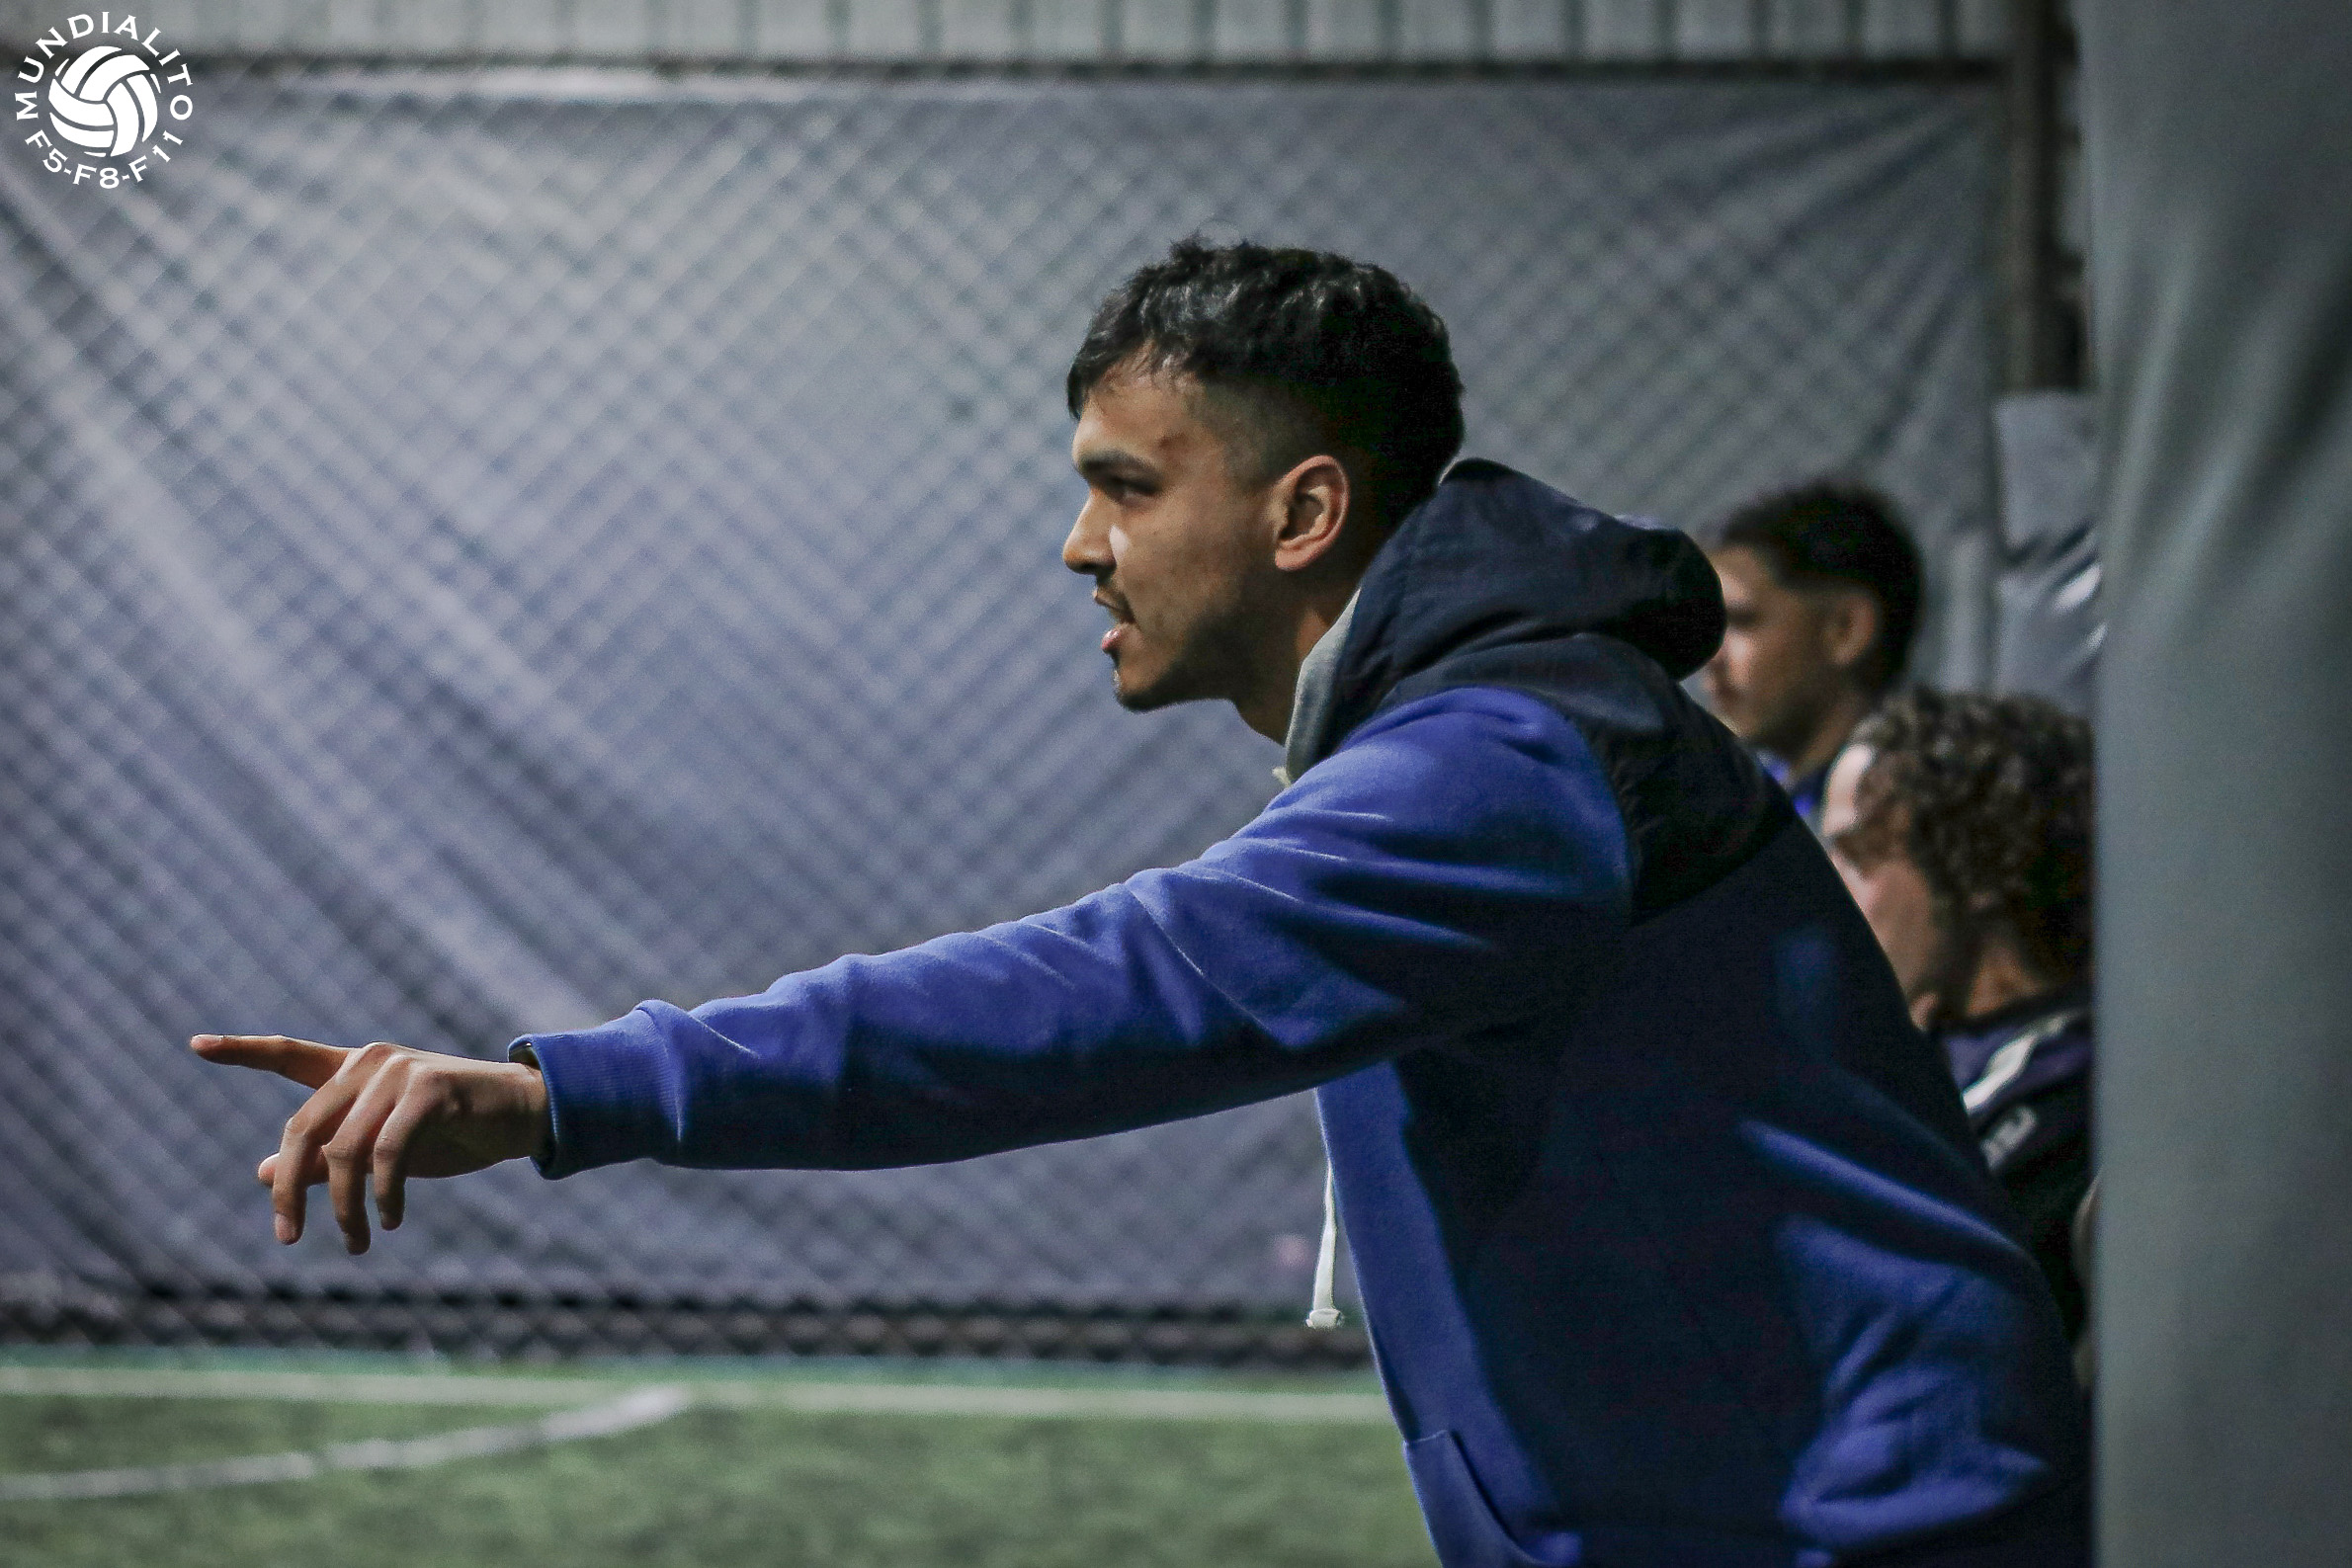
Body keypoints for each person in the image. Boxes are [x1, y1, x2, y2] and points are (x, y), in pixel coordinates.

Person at [194, 240, 2086, 1567]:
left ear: (1302, 513)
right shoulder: (1477, 729)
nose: (1079, 544)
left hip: (1852, 1533)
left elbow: (1110, 990)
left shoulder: (1502, 762)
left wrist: (567, 1089)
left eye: (1124, 487)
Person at [1817, 690, 2096, 1341]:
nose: (1826, 894)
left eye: (1859, 856)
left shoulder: (2069, 1093)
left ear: (1977, 858)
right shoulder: (1903, 1060)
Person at [1700, 483, 1922, 825]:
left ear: (1846, 629)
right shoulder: (1757, 801)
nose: (1710, 657)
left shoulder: (1905, 817)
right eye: (1708, 626)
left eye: (1742, 621)